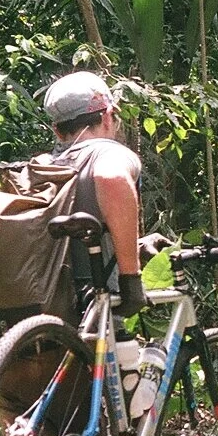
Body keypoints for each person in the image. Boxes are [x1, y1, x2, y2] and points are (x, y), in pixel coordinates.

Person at [42, 70, 148, 317]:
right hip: (93, 301)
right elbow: (111, 178)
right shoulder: (108, 153)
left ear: (57, 130)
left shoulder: (43, 164)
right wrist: (131, 279)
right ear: (108, 117)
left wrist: (138, 245)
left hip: (39, 300)